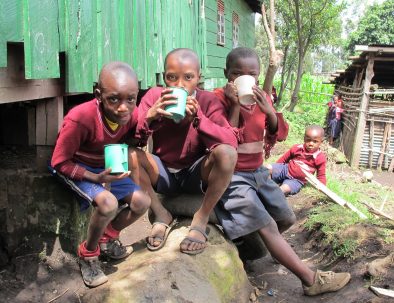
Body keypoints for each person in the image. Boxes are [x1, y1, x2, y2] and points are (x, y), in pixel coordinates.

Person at [214, 47, 350, 296]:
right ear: (227, 74)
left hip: (257, 172)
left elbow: (279, 131)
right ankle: (311, 280)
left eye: (252, 74)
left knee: (286, 218)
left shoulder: (263, 98)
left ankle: (257, 249)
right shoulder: (217, 99)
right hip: (232, 177)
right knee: (268, 226)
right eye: (237, 74)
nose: (245, 79)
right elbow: (224, 141)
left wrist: (269, 112)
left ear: (257, 76)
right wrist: (234, 106)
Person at [50, 62, 151, 287]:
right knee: (108, 204)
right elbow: (58, 162)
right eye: (113, 99)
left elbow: (135, 137)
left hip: (103, 168)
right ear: (98, 94)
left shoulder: (130, 115)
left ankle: (108, 237)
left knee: (143, 202)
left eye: (131, 99)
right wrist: (95, 179)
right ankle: (88, 253)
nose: (123, 107)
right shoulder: (80, 118)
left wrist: (149, 124)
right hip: (77, 167)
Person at [134, 48, 238, 254]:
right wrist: (150, 116)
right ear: (164, 77)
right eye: (171, 78)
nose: (180, 85)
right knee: (127, 154)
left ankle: (202, 216)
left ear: (198, 78)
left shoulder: (208, 101)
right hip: (162, 173)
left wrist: (200, 119)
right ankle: (160, 213)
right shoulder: (155, 96)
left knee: (227, 153)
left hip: (195, 174)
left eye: (188, 77)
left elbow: (231, 141)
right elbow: (130, 137)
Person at [266, 125, 327, 196]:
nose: (311, 144)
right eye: (308, 140)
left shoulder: (320, 158)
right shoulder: (297, 148)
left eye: (315, 141)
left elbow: (321, 175)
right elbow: (283, 159)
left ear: (321, 142)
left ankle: (271, 196)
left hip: (297, 180)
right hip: (286, 169)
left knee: (284, 189)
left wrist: (322, 189)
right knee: (267, 168)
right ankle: (268, 187)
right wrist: (276, 169)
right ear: (304, 139)